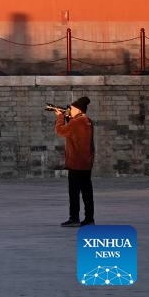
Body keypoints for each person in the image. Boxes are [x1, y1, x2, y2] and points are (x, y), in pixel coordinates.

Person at [54, 96, 95, 227]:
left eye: (71, 108)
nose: (69, 110)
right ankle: (89, 219)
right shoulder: (87, 120)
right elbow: (76, 132)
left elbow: (60, 131)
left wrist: (60, 117)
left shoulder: (76, 122)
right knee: (87, 192)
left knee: (74, 193)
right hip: (86, 163)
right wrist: (68, 117)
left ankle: (74, 218)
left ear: (77, 109)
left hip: (76, 163)